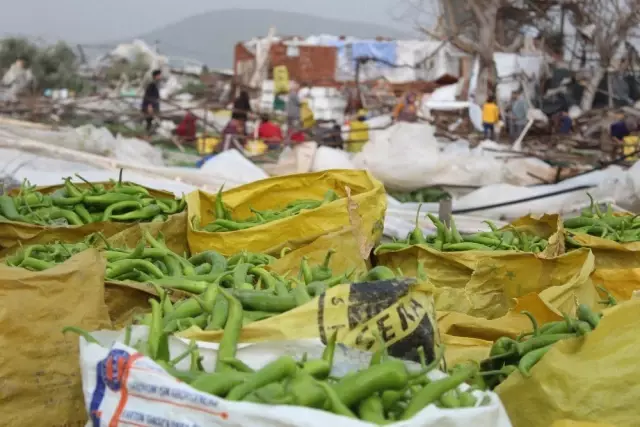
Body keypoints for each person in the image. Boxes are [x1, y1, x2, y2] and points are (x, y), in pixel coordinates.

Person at [142, 69, 162, 134]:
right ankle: (147, 134)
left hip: (154, 105)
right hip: (150, 106)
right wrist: (149, 106)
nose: (160, 77)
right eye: (159, 75)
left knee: (151, 121)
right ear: (155, 76)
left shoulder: (156, 84)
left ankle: (148, 134)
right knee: (149, 120)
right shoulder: (152, 84)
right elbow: (148, 96)